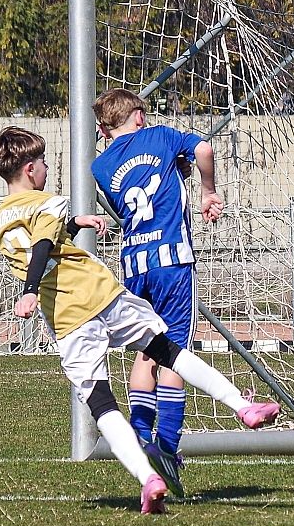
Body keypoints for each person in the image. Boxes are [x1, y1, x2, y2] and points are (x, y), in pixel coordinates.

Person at [0, 125, 280, 514]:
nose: (47, 168)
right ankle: (241, 406)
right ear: (29, 169)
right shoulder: (49, 202)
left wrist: (74, 226)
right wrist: (30, 289)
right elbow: (40, 245)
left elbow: (38, 241)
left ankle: (147, 478)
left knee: (100, 402)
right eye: (43, 162)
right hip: (101, 294)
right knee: (167, 351)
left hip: (68, 317)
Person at [90, 89, 221, 495]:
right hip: (171, 259)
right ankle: (167, 444)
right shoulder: (161, 135)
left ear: (103, 130)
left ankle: (141, 435)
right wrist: (207, 190)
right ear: (140, 117)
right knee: (175, 354)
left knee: (148, 350)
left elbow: (127, 199)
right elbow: (205, 149)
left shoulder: (100, 165)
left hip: (134, 263)